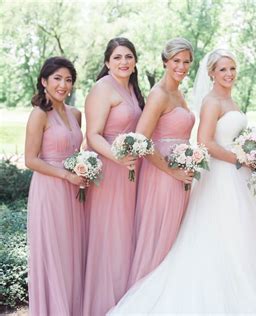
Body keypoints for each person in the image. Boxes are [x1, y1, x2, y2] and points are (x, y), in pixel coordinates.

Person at [108, 49, 256, 315]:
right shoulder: (211, 102)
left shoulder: (229, 100)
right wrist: (240, 158)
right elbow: (205, 142)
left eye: (232, 68)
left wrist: (252, 151)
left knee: (239, 234)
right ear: (211, 73)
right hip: (221, 176)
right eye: (222, 69)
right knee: (220, 232)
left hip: (237, 176)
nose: (229, 74)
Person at [83, 37, 144, 316]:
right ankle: (102, 304)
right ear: (107, 62)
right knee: (110, 234)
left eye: (128, 57)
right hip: (109, 169)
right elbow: (92, 135)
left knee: (125, 231)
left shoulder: (132, 88)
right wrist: (117, 157)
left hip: (131, 169)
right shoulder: (102, 88)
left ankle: (124, 300)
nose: (124, 62)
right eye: (118, 57)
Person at [127, 38, 195, 287]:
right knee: (160, 235)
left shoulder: (178, 92)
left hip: (180, 173)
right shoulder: (159, 94)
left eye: (186, 62)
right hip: (162, 174)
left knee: (174, 235)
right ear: (165, 62)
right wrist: (172, 172)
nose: (181, 66)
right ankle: (147, 292)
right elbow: (140, 141)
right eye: (176, 61)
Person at [25, 56, 85, 316]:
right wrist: (65, 175)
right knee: (53, 252)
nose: (63, 85)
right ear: (44, 81)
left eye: (68, 79)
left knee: (71, 252)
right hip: (50, 190)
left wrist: (83, 170)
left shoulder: (75, 113)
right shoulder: (39, 115)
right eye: (57, 78)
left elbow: (76, 151)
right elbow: (30, 160)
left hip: (74, 191)